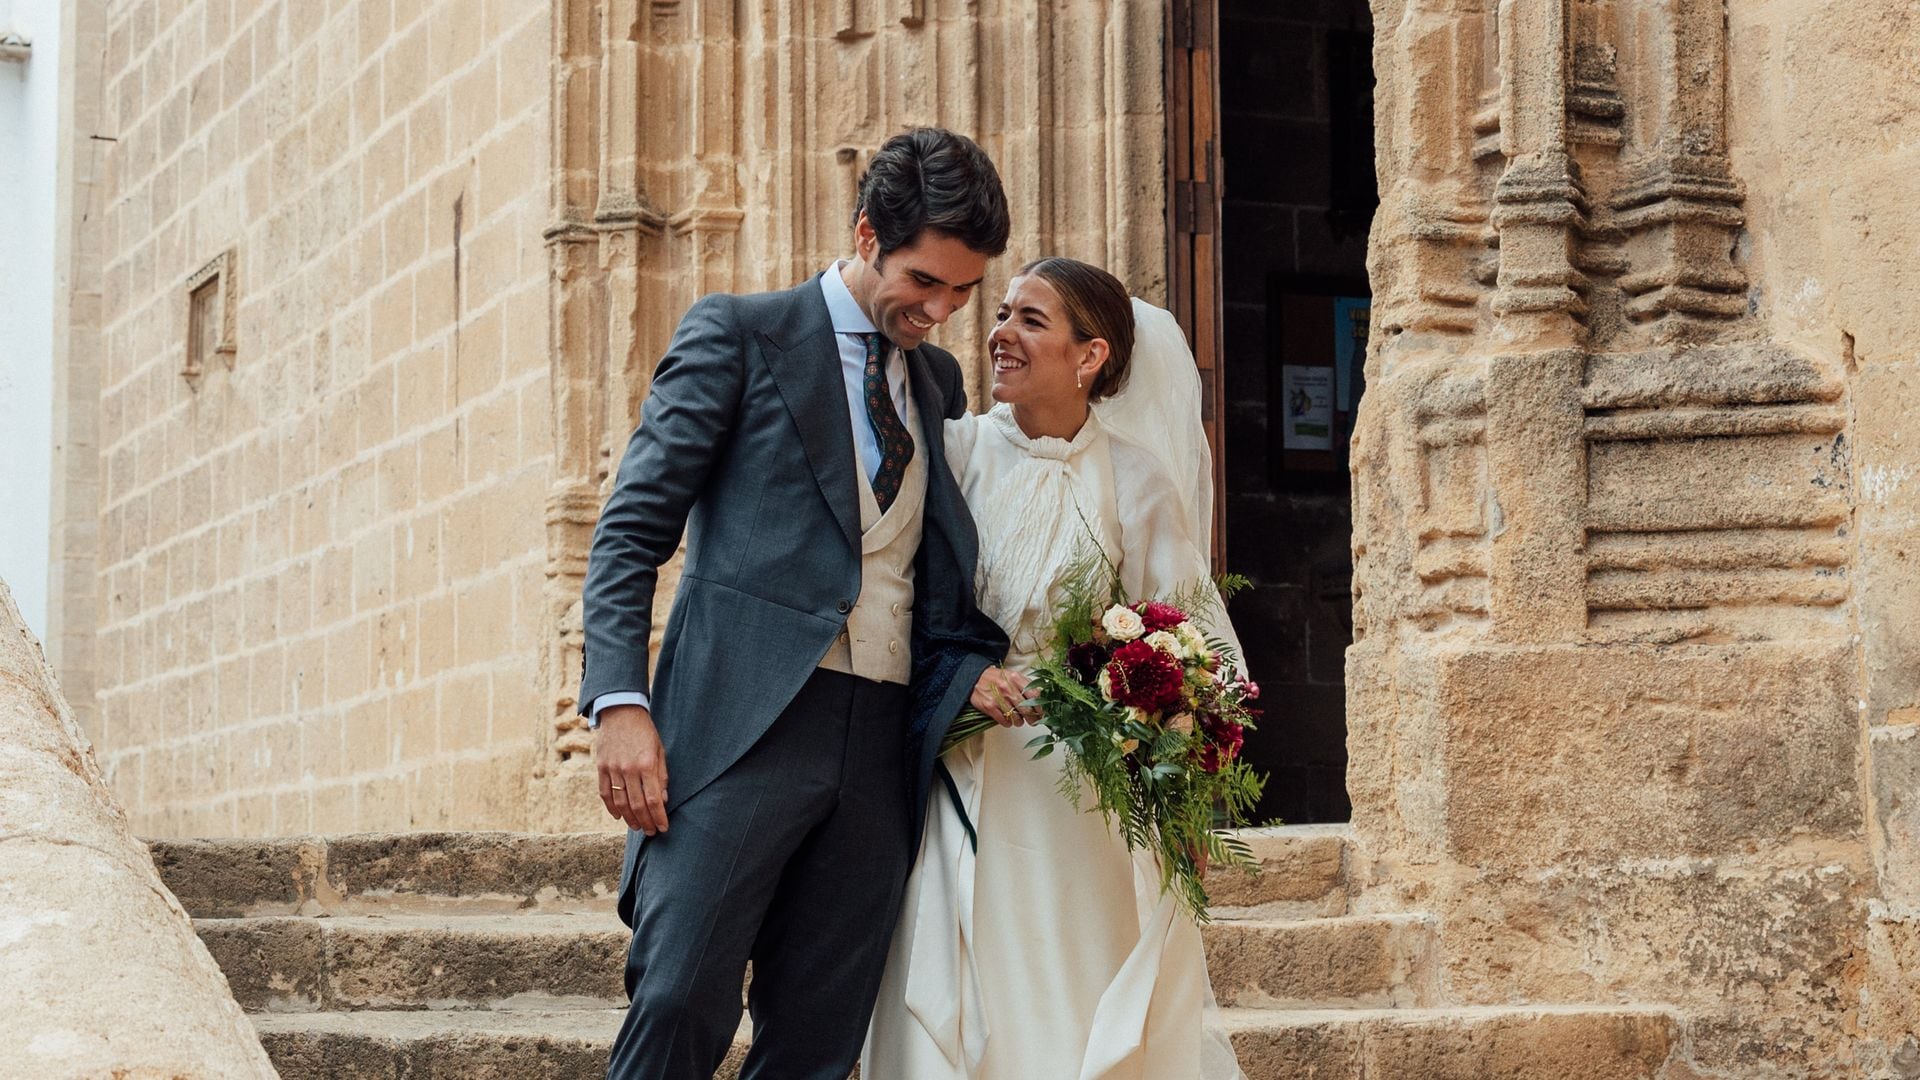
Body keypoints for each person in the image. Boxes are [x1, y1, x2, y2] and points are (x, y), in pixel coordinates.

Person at [579, 127, 1012, 1080]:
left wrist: (966, 666)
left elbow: (930, 563)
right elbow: (629, 531)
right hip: (742, 724)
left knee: (819, 1039)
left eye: (962, 290)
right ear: (866, 235)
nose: (939, 310)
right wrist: (620, 704)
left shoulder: (936, 383)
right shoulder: (739, 334)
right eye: (922, 281)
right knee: (680, 995)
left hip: (881, 735)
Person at [863, 257, 1250, 1080]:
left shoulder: (1137, 481)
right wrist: (961, 678)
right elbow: (906, 603)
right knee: (967, 995)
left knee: (1071, 1000)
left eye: (1030, 321)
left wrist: (1185, 787)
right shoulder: (957, 455)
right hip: (965, 768)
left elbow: (1191, 642)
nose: (999, 334)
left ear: (1090, 357)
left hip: (1086, 801)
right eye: (1001, 314)